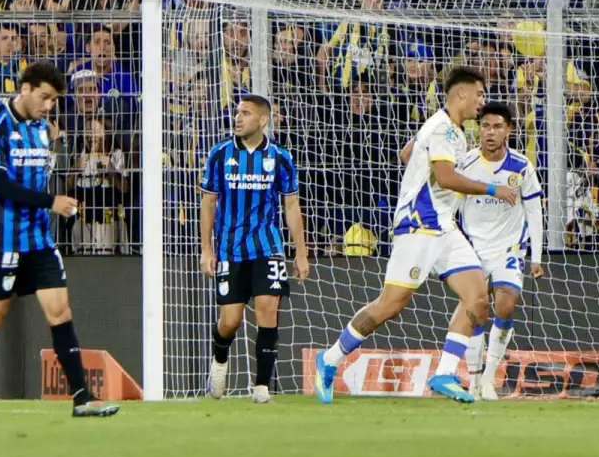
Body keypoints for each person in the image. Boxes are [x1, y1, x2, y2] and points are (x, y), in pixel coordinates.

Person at [312, 67, 517, 405]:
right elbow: (447, 178)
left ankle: (444, 373)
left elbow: (408, 154)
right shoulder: (443, 130)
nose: (482, 101)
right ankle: (330, 358)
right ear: (461, 94)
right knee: (390, 304)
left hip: (444, 227)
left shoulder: (447, 129)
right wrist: (492, 188)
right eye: (479, 94)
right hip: (418, 226)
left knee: (478, 296)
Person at [0, 62, 118, 418]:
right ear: (26, 88)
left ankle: (83, 398)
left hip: (39, 239)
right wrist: (52, 202)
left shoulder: (41, 129)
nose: (48, 106)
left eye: (53, 100)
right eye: (44, 97)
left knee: (61, 311)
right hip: (2, 239)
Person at [199, 95, 309, 404]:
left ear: (262, 120)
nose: (238, 118)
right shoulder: (219, 154)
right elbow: (208, 202)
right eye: (237, 113)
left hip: (267, 246)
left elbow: (291, 205)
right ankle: (220, 360)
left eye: (245, 113)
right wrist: (206, 249)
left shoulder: (280, 157)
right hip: (230, 249)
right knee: (230, 321)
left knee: (268, 311)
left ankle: (261, 386)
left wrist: (300, 252)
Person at [454, 102, 545, 401]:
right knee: (475, 312)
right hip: (473, 249)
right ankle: (475, 379)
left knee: (506, 303)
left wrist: (536, 257)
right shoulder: (465, 165)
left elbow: (534, 211)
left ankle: (491, 378)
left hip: (509, 248)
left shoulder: (521, 166)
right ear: (478, 129)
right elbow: (452, 208)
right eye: (485, 126)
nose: (490, 132)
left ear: (508, 130)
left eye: (497, 126)